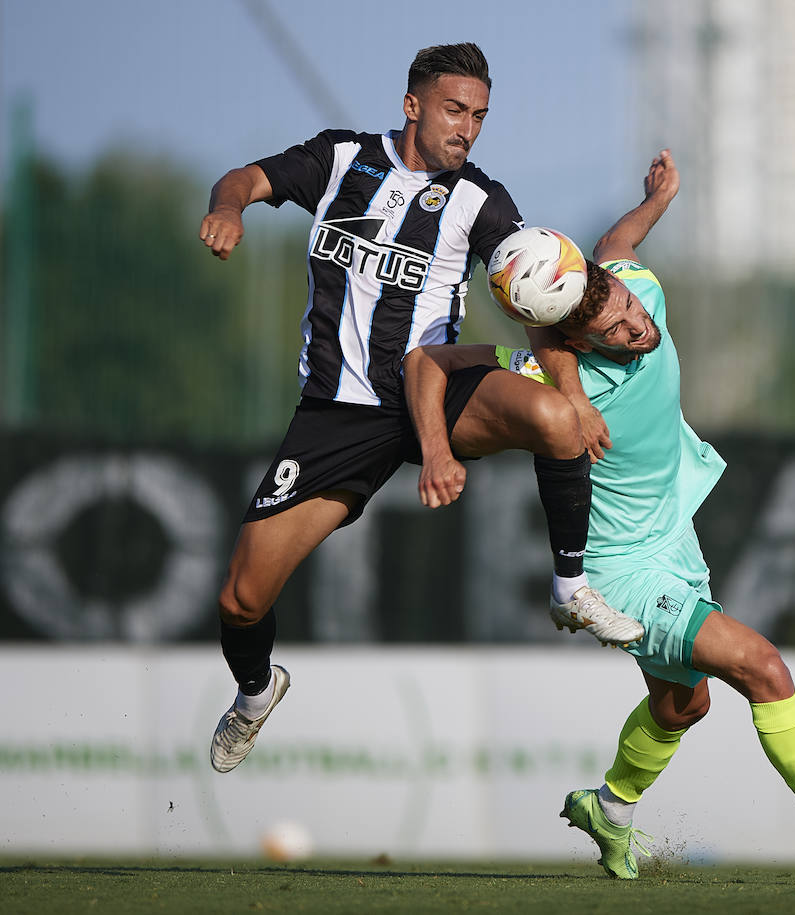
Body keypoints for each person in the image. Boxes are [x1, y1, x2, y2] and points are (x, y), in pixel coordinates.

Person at [405, 149, 795, 887]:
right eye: (613, 330)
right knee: (763, 666)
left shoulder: (634, 287)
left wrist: (656, 202)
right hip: (620, 570)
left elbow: (617, 247)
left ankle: (608, 809)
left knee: (683, 704)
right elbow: (430, 362)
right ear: (577, 344)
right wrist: (434, 446)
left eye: (630, 311)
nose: (635, 327)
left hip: (674, 538)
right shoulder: (547, 383)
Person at [197, 43, 642, 776]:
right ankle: (255, 690)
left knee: (557, 422)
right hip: (337, 412)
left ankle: (571, 588)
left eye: (480, 116)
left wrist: (570, 392)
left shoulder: (482, 199)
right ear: (413, 106)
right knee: (242, 600)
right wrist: (227, 208)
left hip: (433, 386)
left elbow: (529, 298)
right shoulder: (341, 159)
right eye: (454, 110)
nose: (467, 128)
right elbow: (247, 177)